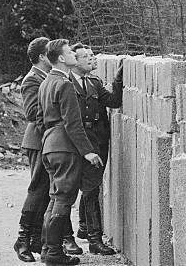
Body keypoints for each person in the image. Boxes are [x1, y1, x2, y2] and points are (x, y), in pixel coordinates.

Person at [37, 39, 103, 266]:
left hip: (50, 145)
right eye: (70, 53)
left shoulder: (47, 82)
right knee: (64, 199)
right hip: (65, 147)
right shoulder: (65, 85)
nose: (75, 55)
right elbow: (73, 123)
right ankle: (54, 253)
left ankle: (48, 249)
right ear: (62, 59)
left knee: (55, 199)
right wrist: (88, 152)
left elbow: (40, 118)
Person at [69, 43, 122, 255]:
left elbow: (113, 101)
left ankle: (90, 235)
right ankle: (73, 238)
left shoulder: (94, 82)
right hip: (74, 143)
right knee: (67, 191)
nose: (92, 60)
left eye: (93, 56)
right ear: (75, 61)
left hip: (96, 141)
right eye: (87, 57)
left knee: (91, 189)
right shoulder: (65, 83)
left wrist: (118, 79)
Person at [14, 37, 52, 262]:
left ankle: (36, 238)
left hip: (47, 139)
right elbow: (31, 113)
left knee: (47, 190)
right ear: (41, 56)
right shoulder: (32, 79)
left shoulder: (47, 77)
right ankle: (23, 239)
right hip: (39, 140)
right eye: (50, 52)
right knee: (37, 189)